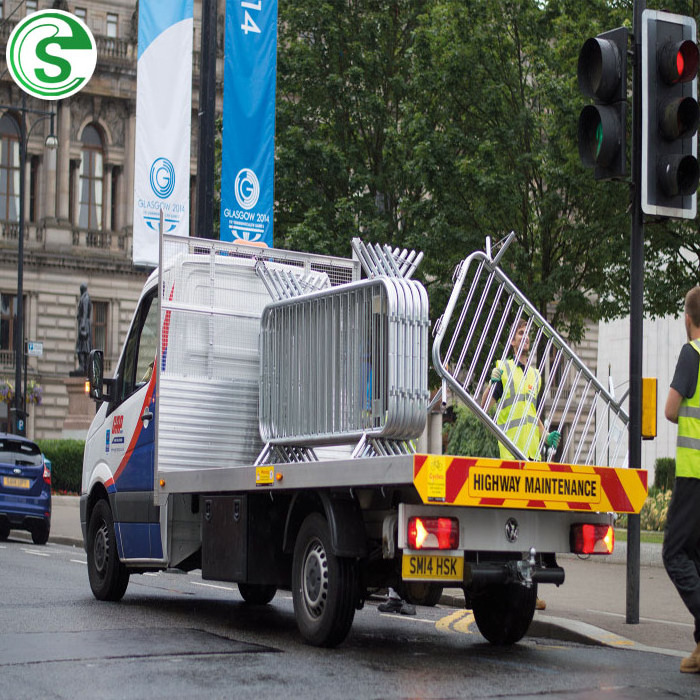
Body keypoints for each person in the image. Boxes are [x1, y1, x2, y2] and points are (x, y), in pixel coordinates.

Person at [482, 318, 560, 611]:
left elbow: (532, 412)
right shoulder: (503, 368)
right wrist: (491, 387)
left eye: (527, 334)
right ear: (512, 340)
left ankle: (531, 589)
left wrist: (545, 434)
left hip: (532, 457)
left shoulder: (536, 375)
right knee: (515, 527)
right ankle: (518, 589)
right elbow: (486, 404)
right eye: (520, 334)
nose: (524, 338)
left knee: (533, 527)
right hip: (511, 457)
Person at [663, 285, 700, 674]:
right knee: (697, 558)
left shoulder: (692, 353)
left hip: (694, 474)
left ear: (687, 319)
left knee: (673, 553)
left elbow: (671, 410)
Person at [75, 283, 92, 375]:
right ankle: (84, 366)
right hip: (85, 323)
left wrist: (82, 325)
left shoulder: (85, 298)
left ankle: (83, 366)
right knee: (83, 347)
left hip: (84, 324)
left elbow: (85, 312)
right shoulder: (85, 297)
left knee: (81, 347)